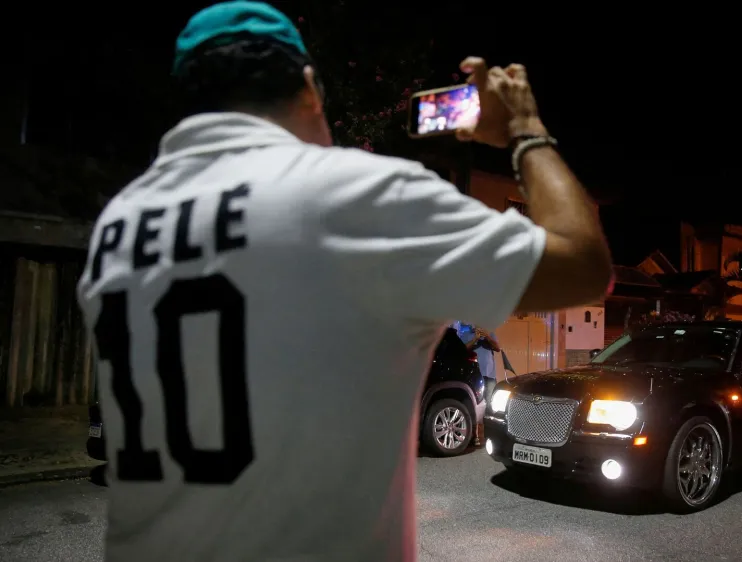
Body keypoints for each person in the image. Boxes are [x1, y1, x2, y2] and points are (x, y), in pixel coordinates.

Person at [75, 2, 612, 561]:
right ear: (309, 88)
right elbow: (584, 266)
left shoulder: (119, 224)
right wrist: (526, 129)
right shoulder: (354, 197)